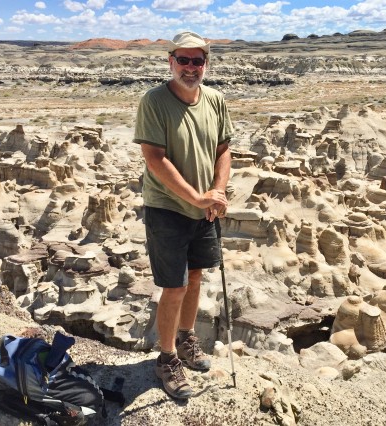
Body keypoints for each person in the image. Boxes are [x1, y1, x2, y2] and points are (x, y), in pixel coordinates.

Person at [134, 31, 233, 400]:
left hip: (204, 207)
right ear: (170, 61)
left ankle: (187, 339)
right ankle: (167, 359)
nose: (191, 67)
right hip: (168, 208)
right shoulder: (155, 101)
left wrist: (217, 192)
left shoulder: (216, 99)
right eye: (184, 60)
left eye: (198, 60)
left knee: (195, 277)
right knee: (173, 286)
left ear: (206, 64)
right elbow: (154, 158)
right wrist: (197, 197)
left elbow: (224, 149)